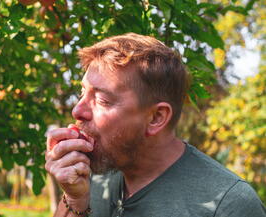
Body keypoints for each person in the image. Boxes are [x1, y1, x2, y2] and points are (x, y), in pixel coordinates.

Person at [45, 33, 266, 217]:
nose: (78, 111)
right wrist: (74, 199)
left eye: (102, 100)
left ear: (156, 118)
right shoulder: (94, 171)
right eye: (82, 92)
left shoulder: (229, 205)